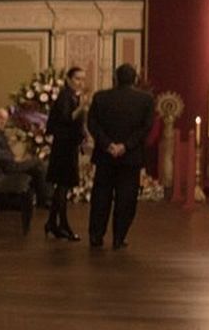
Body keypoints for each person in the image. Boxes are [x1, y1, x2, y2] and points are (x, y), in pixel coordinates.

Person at [86, 63, 155, 249]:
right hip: (130, 157)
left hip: (104, 156)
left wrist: (108, 144)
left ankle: (96, 236)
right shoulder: (146, 100)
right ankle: (119, 237)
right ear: (135, 79)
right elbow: (146, 127)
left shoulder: (100, 97)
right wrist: (126, 146)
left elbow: (92, 124)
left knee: (101, 196)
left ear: (115, 78)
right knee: (126, 198)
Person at [43, 67, 87, 240]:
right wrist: (82, 106)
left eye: (83, 79)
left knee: (62, 188)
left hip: (68, 146)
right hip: (63, 148)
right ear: (68, 79)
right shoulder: (65, 96)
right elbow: (67, 118)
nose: (81, 82)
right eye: (77, 79)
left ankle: (52, 223)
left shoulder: (72, 96)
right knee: (62, 187)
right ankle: (63, 226)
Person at [0, 109, 51, 207]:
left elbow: (1, 150)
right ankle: (45, 199)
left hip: (8, 164)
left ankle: (43, 198)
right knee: (38, 163)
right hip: (8, 167)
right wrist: (14, 158)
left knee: (38, 167)